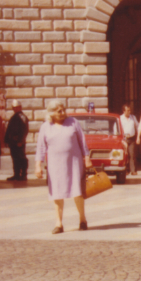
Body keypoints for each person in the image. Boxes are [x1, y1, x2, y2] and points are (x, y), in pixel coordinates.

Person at [34, 100, 90, 234]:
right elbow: (41, 148)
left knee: (78, 192)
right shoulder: (45, 127)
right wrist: (38, 166)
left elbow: (82, 141)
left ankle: (82, 219)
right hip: (55, 165)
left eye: (63, 109)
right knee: (57, 193)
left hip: (74, 163)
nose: (63, 113)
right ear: (51, 113)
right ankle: (58, 223)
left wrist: (86, 157)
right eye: (59, 111)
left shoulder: (73, 122)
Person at [4, 100, 30, 181]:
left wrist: (20, 141)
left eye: (16, 107)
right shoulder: (14, 116)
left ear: (20, 107)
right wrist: (6, 140)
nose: (15, 109)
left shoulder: (22, 117)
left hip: (18, 141)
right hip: (13, 142)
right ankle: (16, 174)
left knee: (21, 158)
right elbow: (9, 129)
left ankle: (23, 175)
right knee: (15, 159)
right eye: (14, 108)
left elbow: (24, 130)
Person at [120, 104, 139, 176]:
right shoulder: (120, 118)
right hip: (123, 139)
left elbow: (138, 126)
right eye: (128, 110)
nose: (129, 111)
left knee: (132, 154)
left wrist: (138, 137)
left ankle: (133, 170)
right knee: (125, 155)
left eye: (130, 110)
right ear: (123, 111)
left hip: (132, 138)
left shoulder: (133, 118)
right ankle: (126, 170)